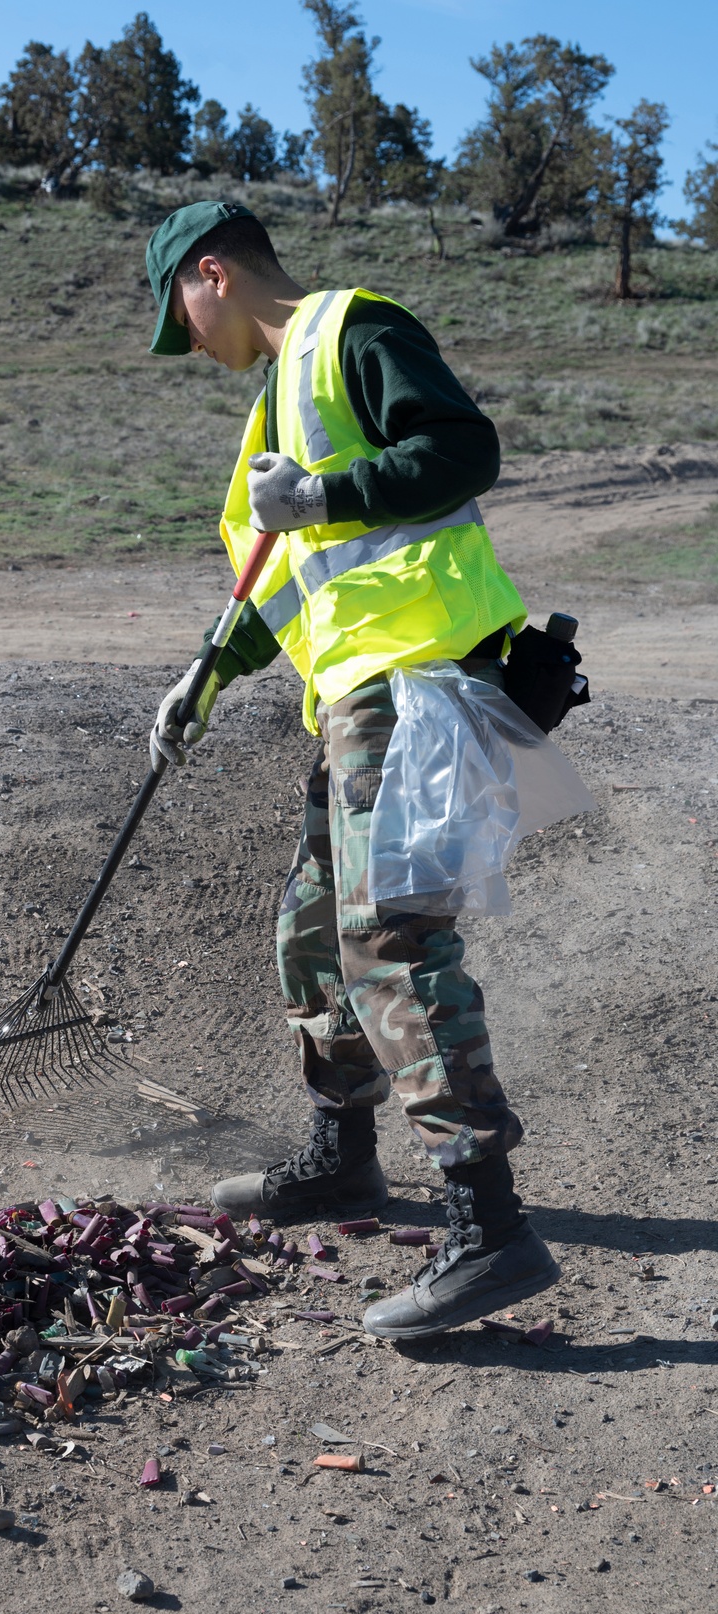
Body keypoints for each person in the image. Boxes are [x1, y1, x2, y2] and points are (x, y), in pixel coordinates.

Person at [144, 199, 560, 1340]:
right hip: (349, 700)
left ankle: (490, 1227)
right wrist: (205, 679)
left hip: (416, 679)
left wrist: (327, 495)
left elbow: (463, 449)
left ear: (210, 272)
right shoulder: (276, 403)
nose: (191, 345)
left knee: (391, 940)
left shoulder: (351, 333)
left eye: (181, 316)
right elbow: (282, 585)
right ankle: (344, 1158)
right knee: (311, 931)